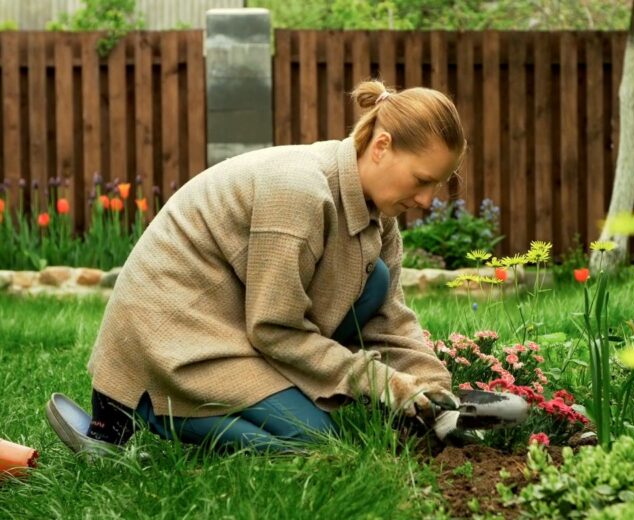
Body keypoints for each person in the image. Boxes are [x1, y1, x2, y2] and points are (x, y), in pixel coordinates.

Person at [45, 80, 466, 455]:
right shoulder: (300, 192)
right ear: (381, 147)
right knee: (321, 443)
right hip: (173, 340)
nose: (429, 200)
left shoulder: (380, 218)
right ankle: (141, 408)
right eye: (422, 180)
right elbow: (273, 328)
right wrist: (383, 383)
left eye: (438, 185)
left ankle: (251, 396)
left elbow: (390, 319)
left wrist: (435, 391)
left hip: (235, 323)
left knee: (376, 280)